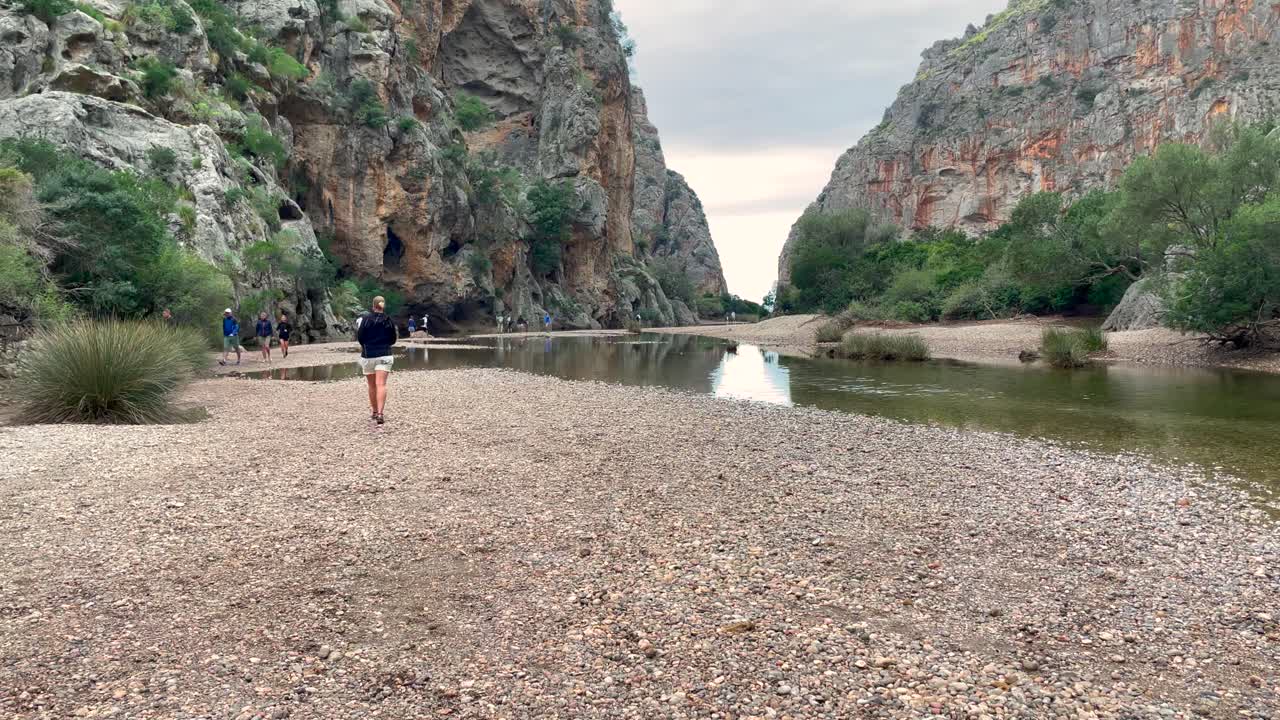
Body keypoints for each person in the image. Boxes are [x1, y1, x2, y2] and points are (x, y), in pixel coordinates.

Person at [356, 295, 398, 426]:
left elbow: (360, 337)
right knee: (381, 384)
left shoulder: (365, 319)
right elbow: (393, 339)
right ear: (383, 305)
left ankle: (374, 412)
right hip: (385, 354)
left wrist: (367, 346)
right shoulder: (388, 320)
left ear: (373, 306)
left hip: (368, 355)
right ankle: (380, 413)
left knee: (372, 385)